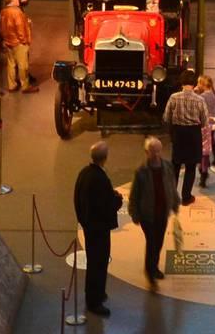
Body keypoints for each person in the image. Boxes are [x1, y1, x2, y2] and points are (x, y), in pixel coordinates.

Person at [73, 140, 123, 316]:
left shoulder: (84, 173)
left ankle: (96, 293)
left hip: (89, 227)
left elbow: (77, 199)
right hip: (99, 230)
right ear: (105, 158)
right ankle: (94, 301)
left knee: (95, 262)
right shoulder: (100, 179)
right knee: (99, 263)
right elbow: (105, 206)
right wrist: (117, 200)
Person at [128, 135, 178, 282]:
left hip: (162, 213)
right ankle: (150, 270)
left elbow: (171, 186)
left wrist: (175, 203)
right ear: (147, 152)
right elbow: (134, 194)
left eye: (158, 151)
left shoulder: (167, 167)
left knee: (159, 241)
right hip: (147, 215)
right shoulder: (141, 171)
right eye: (153, 151)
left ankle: (154, 267)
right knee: (152, 242)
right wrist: (134, 213)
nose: (156, 154)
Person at [163, 73, 209, 204]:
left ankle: (172, 196)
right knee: (190, 166)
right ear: (194, 84)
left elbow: (166, 117)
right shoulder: (200, 100)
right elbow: (205, 122)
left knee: (175, 165)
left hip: (178, 133)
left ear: (181, 82)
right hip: (193, 135)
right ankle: (186, 197)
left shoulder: (173, 97)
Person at [0, 0, 37, 93]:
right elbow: (20, 28)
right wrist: (24, 41)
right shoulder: (17, 12)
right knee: (23, 65)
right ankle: (25, 86)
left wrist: (5, 39)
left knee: (11, 64)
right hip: (19, 43)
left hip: (8, 41)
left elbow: (1, 28)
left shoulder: (3, 12)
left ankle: (12, 85)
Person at [195, 74, 215, 172]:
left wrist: (195, 92)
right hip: (212, 122)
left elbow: (197, 106)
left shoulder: (202, 96)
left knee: (204, 147)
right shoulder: (213, 94)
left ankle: (204, 168)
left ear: (202, 84)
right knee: (211, 140)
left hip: (205, 123)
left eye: (198, 83)